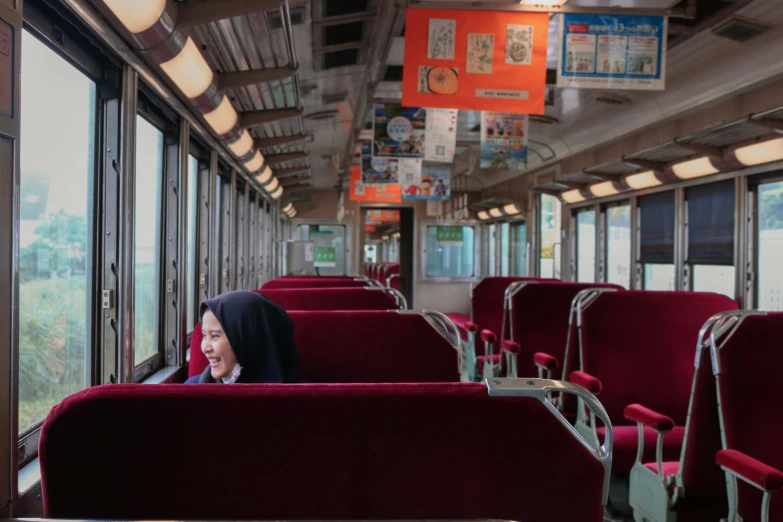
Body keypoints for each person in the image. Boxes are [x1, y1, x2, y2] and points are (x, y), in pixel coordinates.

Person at [185, 290, 299, 383]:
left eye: (215, 336)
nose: (205, 348)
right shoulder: (191, 389)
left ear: (250, 340)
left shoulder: (303, 398)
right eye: (205, 335)